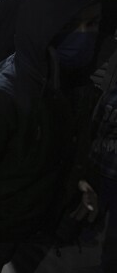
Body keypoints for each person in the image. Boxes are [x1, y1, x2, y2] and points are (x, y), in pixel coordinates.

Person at [0, 0, 117, 272]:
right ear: (47, 25)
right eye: (79, 25)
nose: (87, 35)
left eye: (95, 24)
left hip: (41, 223)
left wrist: (79, 180)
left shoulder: (71, 85)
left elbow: (68, 143)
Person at [89, 86, 117, 272]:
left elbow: (95, 126)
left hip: (102, 165)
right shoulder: (111, 95)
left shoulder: (111, 95)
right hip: (103, 168)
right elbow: (95, 126)